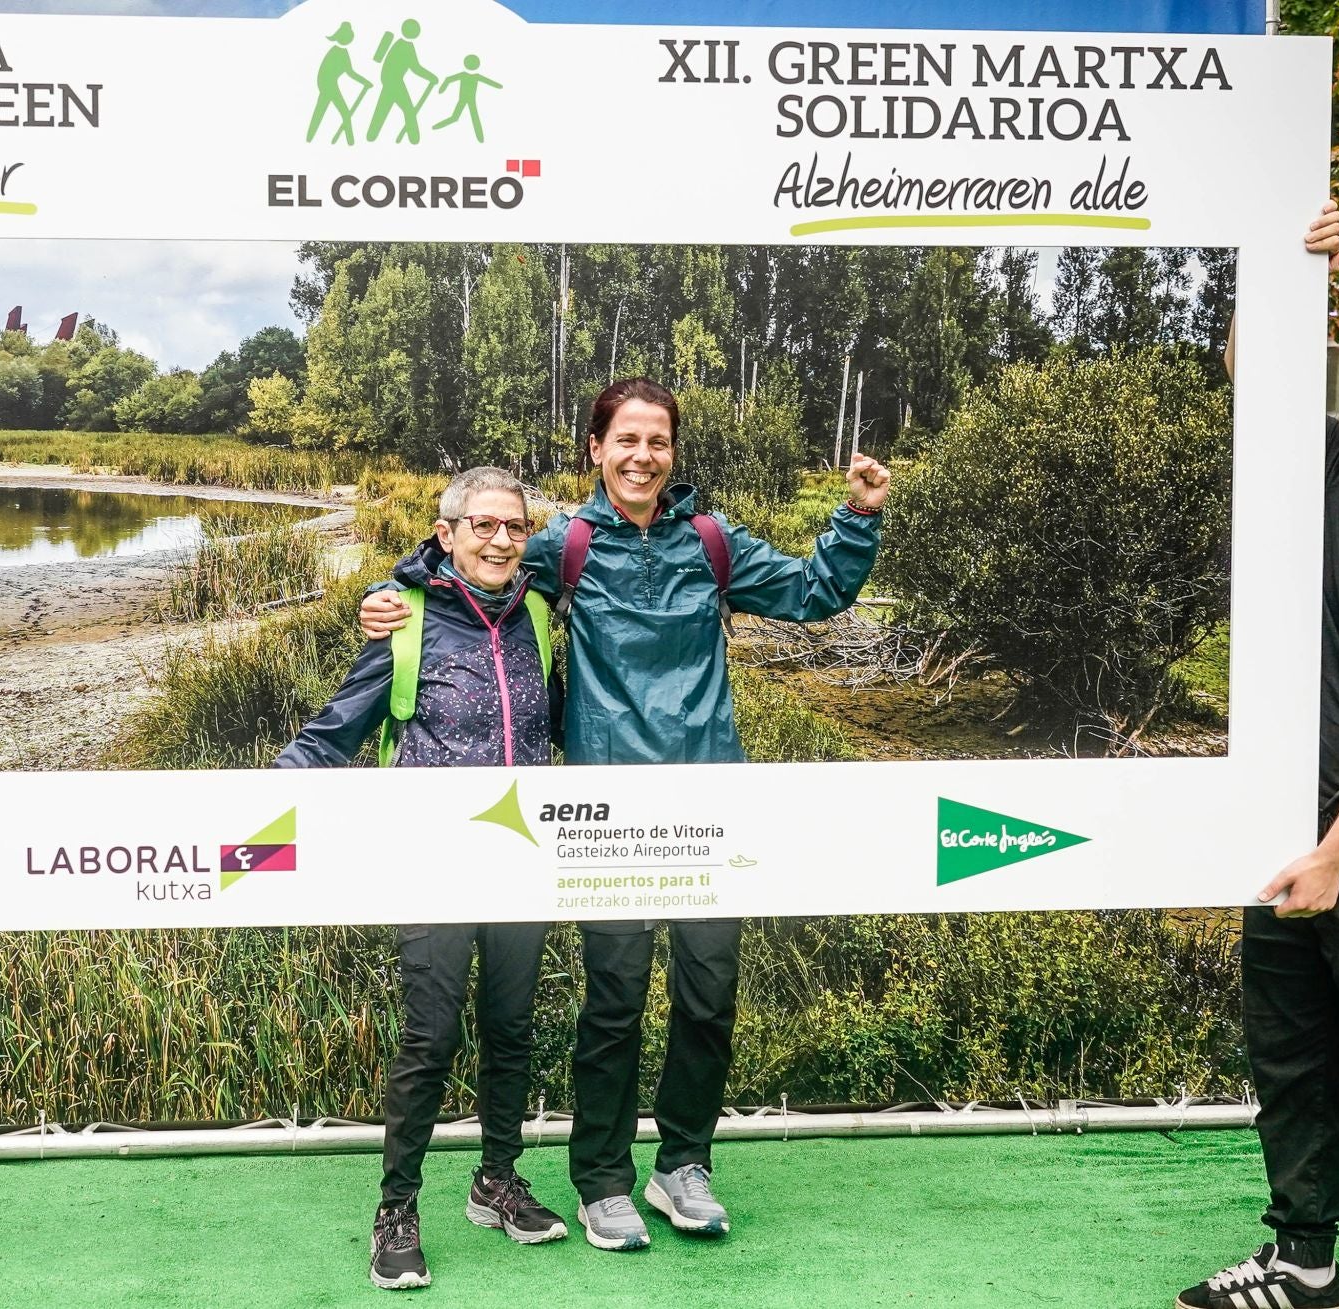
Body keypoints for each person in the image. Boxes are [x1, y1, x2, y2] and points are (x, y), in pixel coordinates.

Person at [360, 378, 890, 1250]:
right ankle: (602, 1179)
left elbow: (815, 590)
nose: (643, 456)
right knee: (612, 1003)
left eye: (659, 441)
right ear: (596, 449)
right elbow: (473, 567)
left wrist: (858, 514)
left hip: (713, 808)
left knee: (708, 998)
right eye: (627, 440)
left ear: (672, 451)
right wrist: (397, 588)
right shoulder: (565, 543)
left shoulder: (713, 540)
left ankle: (683, 1165)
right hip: (607, 816)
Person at [277, 466, 569, 1291]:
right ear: (446, 533)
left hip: (521, 861)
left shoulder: (538, 613)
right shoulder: (404, 621)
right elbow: (334, 730)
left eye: (514, 526)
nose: (501, 540)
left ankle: (496, 1180)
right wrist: (257, 800)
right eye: (483, 525)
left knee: (512, 1029)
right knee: (430, 1038)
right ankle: (396, 1210)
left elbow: (563, 718)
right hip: (431, 863)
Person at [1178, 200, 1339, 1309]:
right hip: (1288, 830)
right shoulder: (1331, 469)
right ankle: (1303, 1263)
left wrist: (1338, 852)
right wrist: (1283, 251)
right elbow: (1258, 376)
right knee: (1293, 1057)